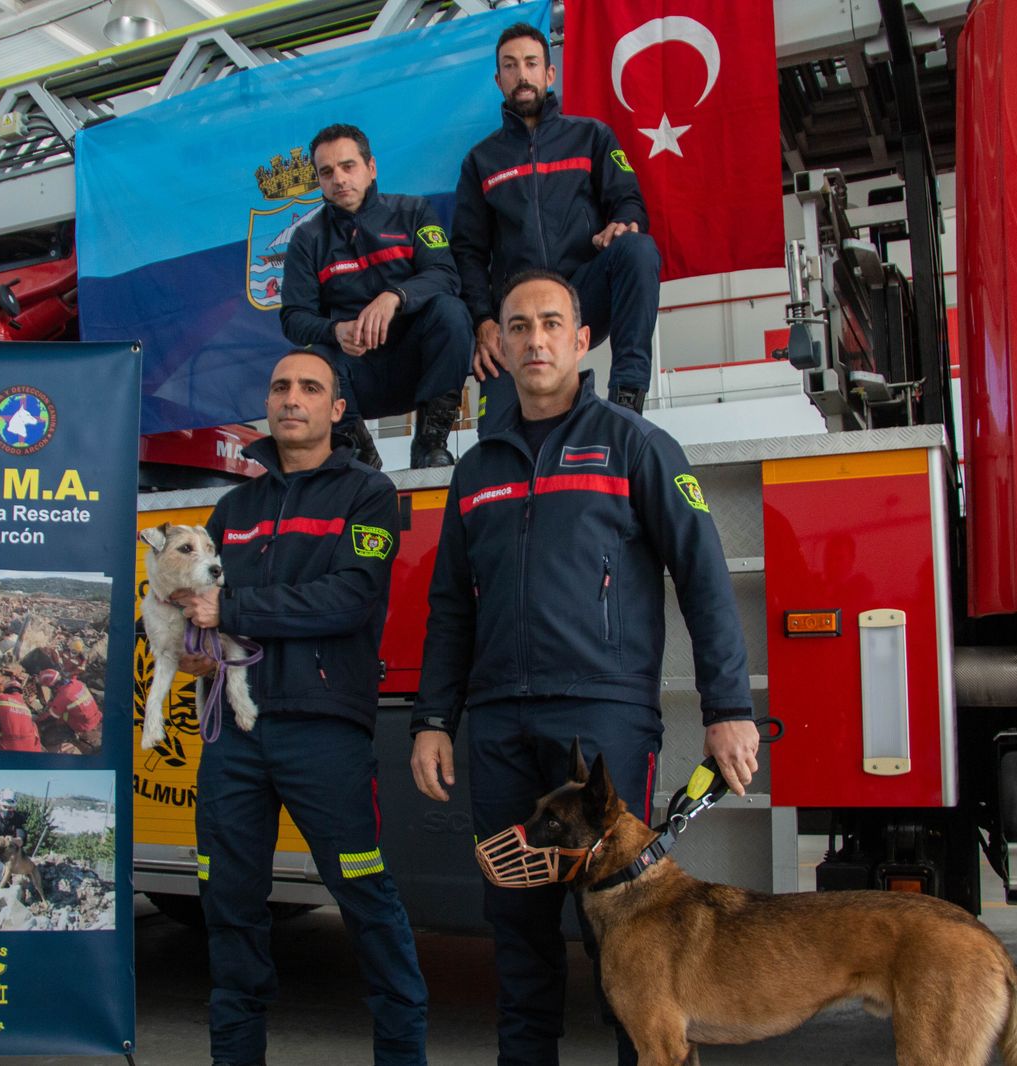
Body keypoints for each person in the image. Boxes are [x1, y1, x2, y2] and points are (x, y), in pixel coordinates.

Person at [408, 270, 758, 1066]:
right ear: (498, 346)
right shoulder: (476, 470)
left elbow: (703, 577)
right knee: (516, 924)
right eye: (518, 326)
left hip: (602, 718)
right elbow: (451, 608)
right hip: (499, 723)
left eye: (550, 324)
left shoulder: (636, 445)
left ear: (581, 339)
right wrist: (433, 719)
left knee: (629, 933)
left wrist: (728, 708)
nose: (535, 340)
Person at [171, 350, 427, 1066]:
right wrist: (191, 644)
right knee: (229, 909)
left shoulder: (368, 494)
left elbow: (349, 599)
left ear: (336, 410)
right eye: (281, 387)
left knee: (366, 900)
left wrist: (231, 610)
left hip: (324, 734)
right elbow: (193, 603)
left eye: (310, 388)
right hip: (234, 734)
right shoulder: (233, 509)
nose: (292, 398)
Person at [453, 22, 661, 426]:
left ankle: (627, 400)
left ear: (550, 74)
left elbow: (629, 201)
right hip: (518, 309)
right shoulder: (480, 161)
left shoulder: (592, 137)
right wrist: (484, 321)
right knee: (496, 438)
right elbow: (468, 252)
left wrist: (624, 222)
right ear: (498, 80)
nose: (522, 74)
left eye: (531, 63)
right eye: (510, 66)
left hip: (583, 296)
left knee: (638, 248)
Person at [281, 122, 472, 469]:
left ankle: (430, 446)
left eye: (348, 166)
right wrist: (335, 331)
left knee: (451, 312)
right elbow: (294, 318)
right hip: (355, 375)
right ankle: (361, 459)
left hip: (418, 365)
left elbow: (445, 276)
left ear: (371, 168)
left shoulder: (413, 212)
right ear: (319, 181)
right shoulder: (307, 239)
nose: (339, 179)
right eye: (327, 172)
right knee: (315, 357)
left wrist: (395, 296)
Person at [37, 669, 102, 745]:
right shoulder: (76, 683)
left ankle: (72, 735)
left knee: (47, 737)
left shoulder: (64, 696)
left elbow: (51, 715)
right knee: (64, 712)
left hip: (83, 725)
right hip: (94, 715)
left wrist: (37, 720)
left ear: (53, 685)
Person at [0, 679, 44, 752]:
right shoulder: (25, 706)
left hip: (9, 748)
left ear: (6, 690)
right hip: (33, 749)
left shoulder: (0, 697)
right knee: (33, 724)